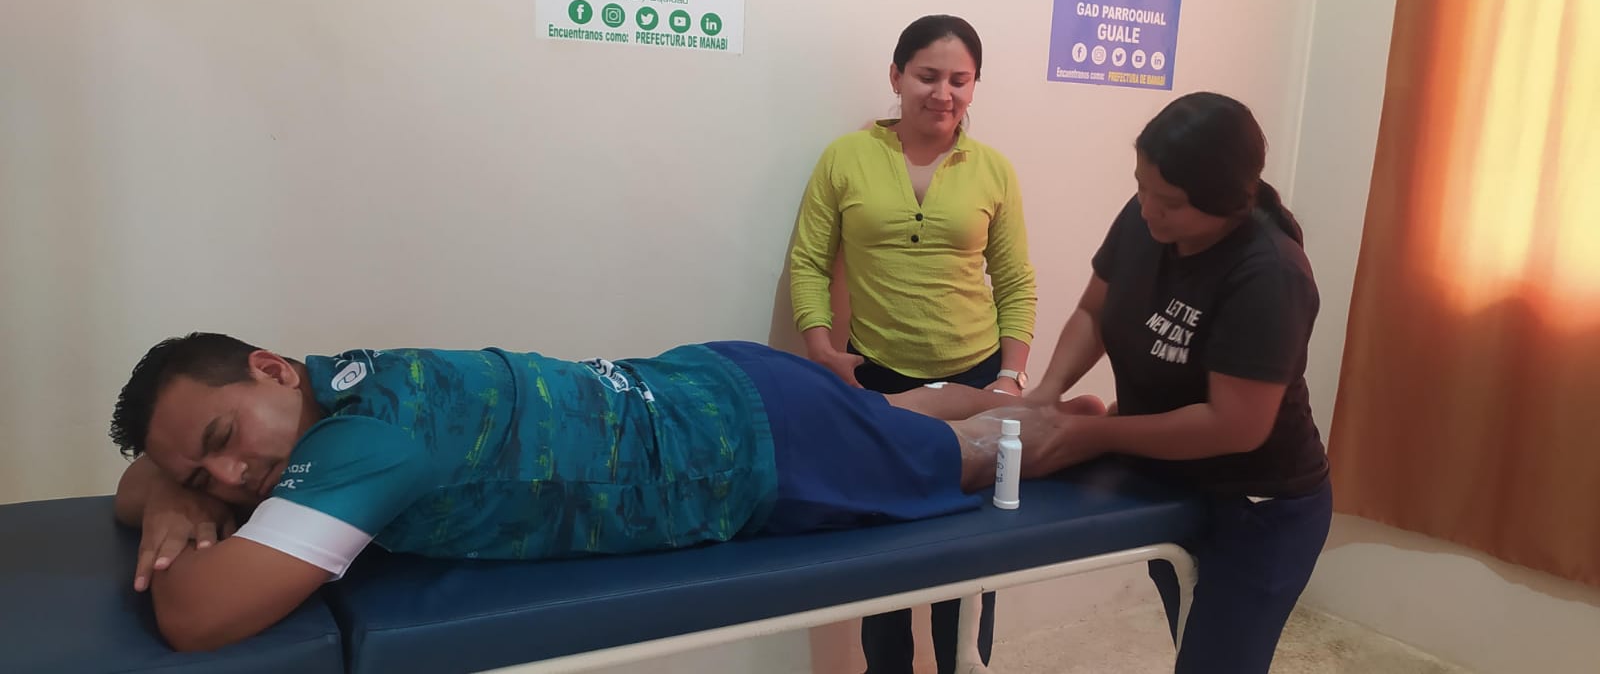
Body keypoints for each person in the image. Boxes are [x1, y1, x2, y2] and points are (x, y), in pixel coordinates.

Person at [108, 333, 1097, 653]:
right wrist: (169, 493)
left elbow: (196, 615)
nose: (231, 479)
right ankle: (1027, 402)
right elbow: (137, 480)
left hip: (752, 448)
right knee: (896, 418)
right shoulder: (338, 382)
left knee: (978, 456)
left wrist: (176, 505)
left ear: (269, 368)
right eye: (203, 476)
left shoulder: (363, 446)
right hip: (717, 380)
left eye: (223, 442)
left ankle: (1090, 425)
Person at [1023, 92, 1332, 674]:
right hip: (1168, 480)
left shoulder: (1269, 273)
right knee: (1195, 641)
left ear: (1228, 203)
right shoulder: (1146, 215)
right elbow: (1093, 311)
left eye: (1169, 203)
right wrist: (1047, 389)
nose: (1148, 209)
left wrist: (1098, 433)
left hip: (1257, 505)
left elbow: (1233, 426)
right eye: (1141, 186)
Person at [789, 14, 1037, 674]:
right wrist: (821, 348)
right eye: (928, 76)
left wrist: (1010, 377)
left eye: (960, 80)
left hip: (978, 381)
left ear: (975, 85)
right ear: (897, 76)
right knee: (887, 555)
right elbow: (810, 261)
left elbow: (1015, 280)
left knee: (972, 553)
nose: (943, 93)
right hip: (878, 381)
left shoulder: (993, 169)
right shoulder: (846, 157)